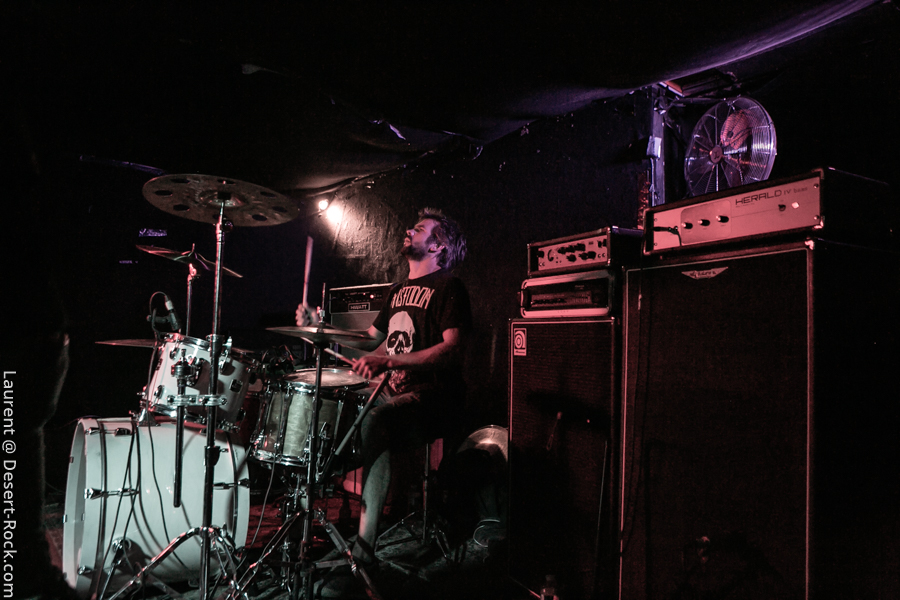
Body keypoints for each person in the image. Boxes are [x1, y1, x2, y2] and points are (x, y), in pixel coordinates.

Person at [302, 208, 472, 595]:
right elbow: (368, 340)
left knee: (375, 420)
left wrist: (389, 361)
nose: (409, 230)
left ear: (438, 246)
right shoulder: (397, 291)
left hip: (434, 396)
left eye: (420, 229)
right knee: (337, 404)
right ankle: (321, 496)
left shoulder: (449, 287)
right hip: (395, 392)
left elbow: (451, 349)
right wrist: (320, 327)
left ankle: (364, 550)